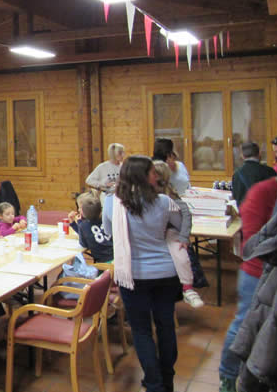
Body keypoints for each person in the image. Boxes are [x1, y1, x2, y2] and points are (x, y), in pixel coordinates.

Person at [103, 155, 182, 392]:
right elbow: (179, 227)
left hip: (133, 274)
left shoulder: (113, 203)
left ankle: (154, 383)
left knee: (141, 330)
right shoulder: (164, 201)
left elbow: (109, 232)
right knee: (166, 325)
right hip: (165, 272)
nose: (156, 175)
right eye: (152, 172)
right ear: (144, 176)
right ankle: (167, 378)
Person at [218, 175, 277, 392]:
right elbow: (252, 242)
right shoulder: (264, 191)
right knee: (244, 326)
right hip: (257, 272)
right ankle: (228, 376)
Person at [153, 161, 203, 308]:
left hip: (170, 231)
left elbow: (186, 214)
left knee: (180, 254)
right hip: (153, 232)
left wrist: (184, 237)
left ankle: (188, 289)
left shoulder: (170, 194)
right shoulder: (144, 193)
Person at [68, 193, 113, 263]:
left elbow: (84, 244)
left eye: (80, 208)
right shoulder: (104, 219)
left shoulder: (84, 225)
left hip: (102, 262)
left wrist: (78, 223)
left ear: (83, 211)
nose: (78, 210)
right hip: (114, 257)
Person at [231, 141, 276, 207]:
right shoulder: (270, 171)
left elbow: (235, 196)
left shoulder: (236, 174)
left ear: (242, 156)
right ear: (259, 153)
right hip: (266, 210)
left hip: (245, 211)